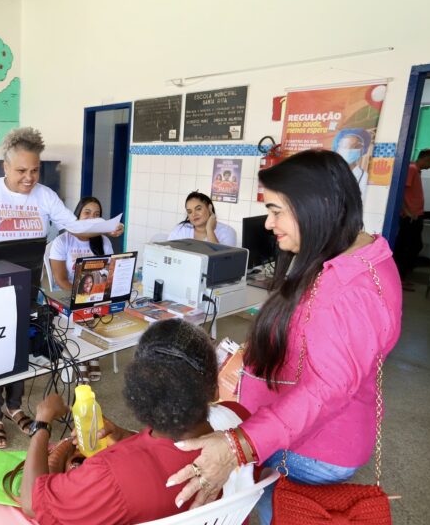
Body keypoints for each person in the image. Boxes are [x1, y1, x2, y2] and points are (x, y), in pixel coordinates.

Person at [164, 150, 402, 524]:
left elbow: (326, 390)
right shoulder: (351, 253)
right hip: (299, 428)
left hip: (308, 446)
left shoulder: (348, 290)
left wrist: (238, 446)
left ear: (318, 206)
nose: (269, 223)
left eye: (276, 211)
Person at [0, 319, 254, 525]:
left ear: (138, 396)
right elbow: (175, 449)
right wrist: (127, 435)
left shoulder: (113, 475)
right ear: (213, 387)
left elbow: (32, 504)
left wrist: (42, 423)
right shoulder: (242, 422)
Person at [0, 127, 123, 449]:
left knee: (21, 344)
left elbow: (75, 229)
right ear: (5, 167)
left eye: (35, 170)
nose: (29, 177)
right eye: (21, 170)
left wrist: (105, 228)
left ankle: (15, 405)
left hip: (29, 283)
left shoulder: (45, 195)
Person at [393, 147, 430, 290]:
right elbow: (401, 192)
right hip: (409, 217)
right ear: (426, 159)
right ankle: (398, 279)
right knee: (408, 247)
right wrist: (407, 211)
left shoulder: (415, 170)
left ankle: (401, 276)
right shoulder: (412, 169)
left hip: (415, 215)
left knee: (413, 246)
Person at [48, 197, 114, 291]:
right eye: (87, 213)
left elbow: (109, 275)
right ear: (77, 215)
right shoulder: (62, 241)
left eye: (96, 215)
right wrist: (80, 295)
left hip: (95, 293)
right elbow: (61, 280)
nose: (92, 218)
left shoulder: (104, 241)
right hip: (68, 292)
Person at [167, 191, 236, 245]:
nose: (194, 214)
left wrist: (210, 230)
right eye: (190, 212)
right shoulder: (181, 229)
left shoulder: (227, 232)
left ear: (209, 208)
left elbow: (221, 261)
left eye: (198, 209)